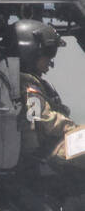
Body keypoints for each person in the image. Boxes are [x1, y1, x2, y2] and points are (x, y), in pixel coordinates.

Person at [16, 19, 85, 175]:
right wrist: (71, 128)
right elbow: (43, 118)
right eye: (47, 55)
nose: (50, 61)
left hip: (52, 146)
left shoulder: (31, 82)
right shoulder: (26, 85)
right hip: (48, 152)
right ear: (31, 54)